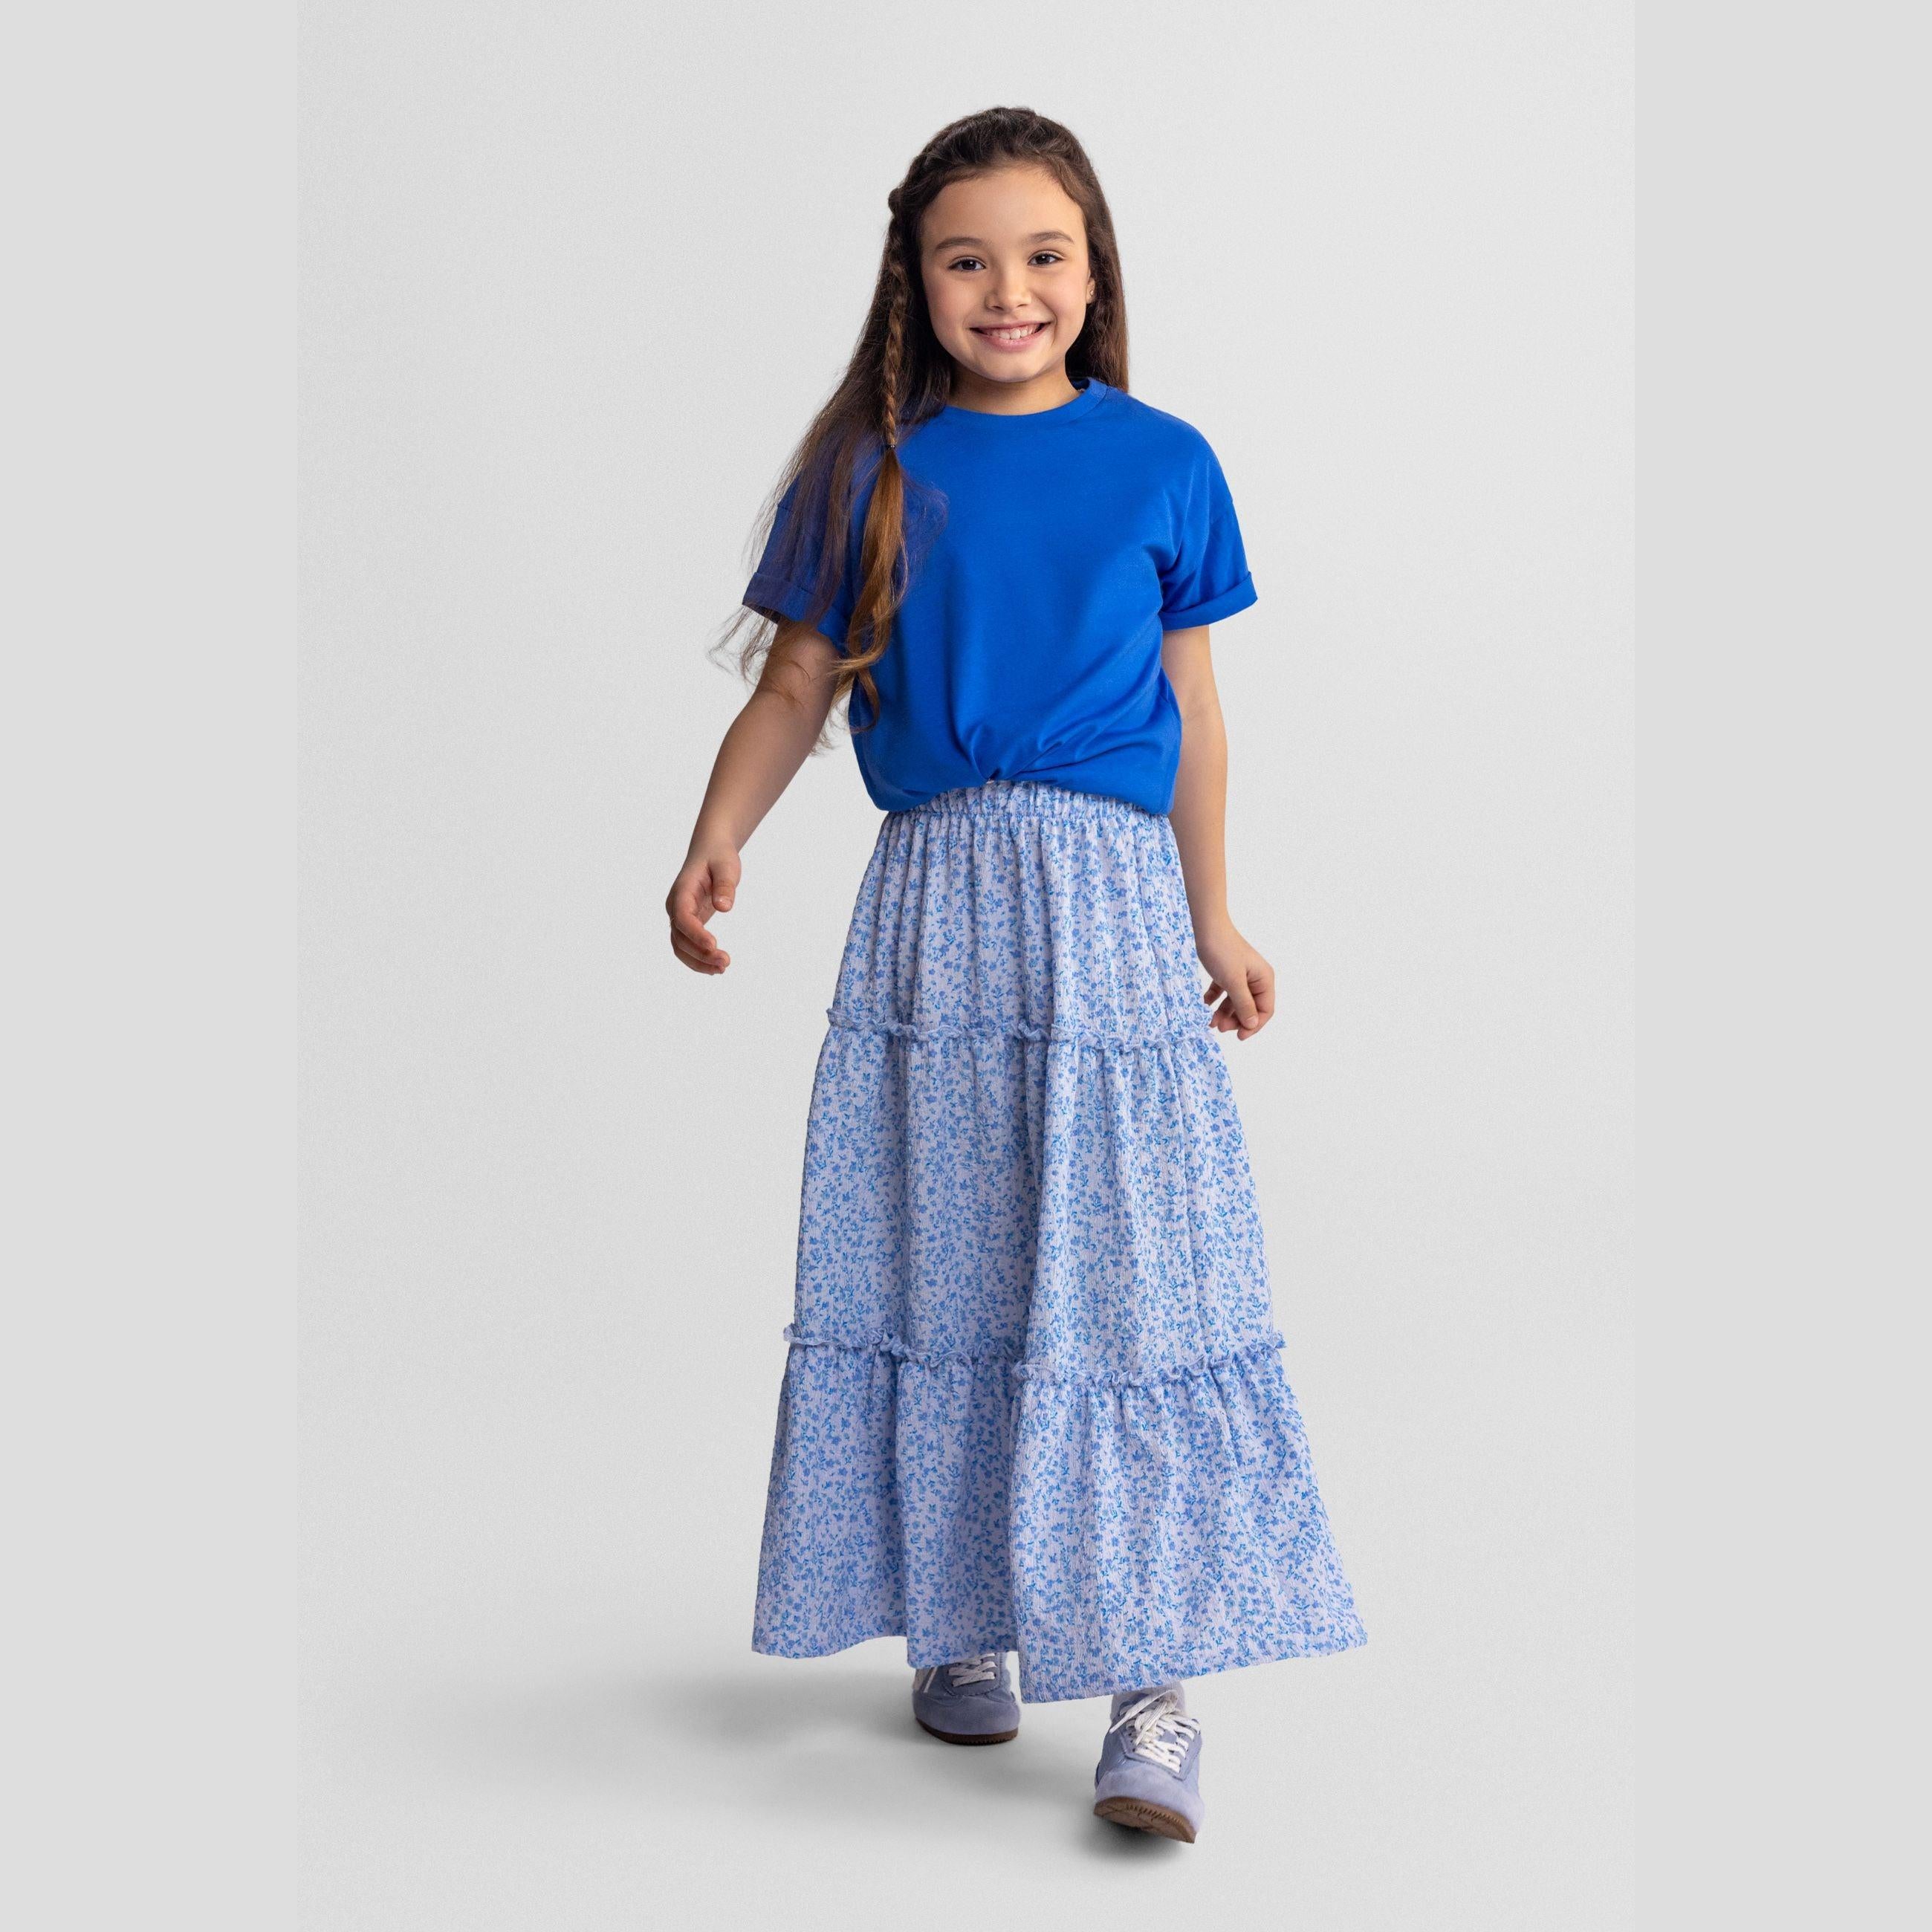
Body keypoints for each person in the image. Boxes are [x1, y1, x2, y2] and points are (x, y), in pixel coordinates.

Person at [667, 105, 1364, 1844]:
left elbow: (1193, 711)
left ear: (1094, 268)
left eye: (1045, 254)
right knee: (951, 1254)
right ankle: (965, 1611)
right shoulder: (870, 470)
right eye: (967, 257)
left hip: (1117, 908)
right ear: (914, 277)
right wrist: (718, 833)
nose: (1010, 289)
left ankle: (1154, 1690)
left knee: (1133, 1285)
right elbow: (796, 682)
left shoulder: (1162, 461)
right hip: (936, 906)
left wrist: (1215, 915)